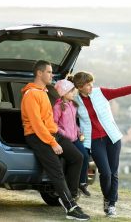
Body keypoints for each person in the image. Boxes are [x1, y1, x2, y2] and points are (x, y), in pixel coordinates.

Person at [72, 71, 131, 217]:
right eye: (87, 84)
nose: (91, 86)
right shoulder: (75, 101)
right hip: (93, 141)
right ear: (79, 87)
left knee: (113, 173)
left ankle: (111, 204)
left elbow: (122, 91)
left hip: (112, 138)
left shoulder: (101, 93)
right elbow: (71, 120)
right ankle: (107, 197)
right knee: (105, 173)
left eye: (91, 83)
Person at [21, 60, 90, 221]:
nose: (52, 75)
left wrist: (57, 138)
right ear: (39, 73)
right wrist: (52, 142)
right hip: (37, 136)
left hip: (51, 134)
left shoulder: (44, 92)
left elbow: (49, 120)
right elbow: (37, 124)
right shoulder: (31, 94)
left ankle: (71, 196)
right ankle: (70, 207)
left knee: (77, 157)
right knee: (56, 170)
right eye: (49, 72)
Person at [53, 78, 91, 197]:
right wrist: (64, 133)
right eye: (71, 91)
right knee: (75, 158)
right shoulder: (58, 107)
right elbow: (53, 124)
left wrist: (78, 132)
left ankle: (81, 183)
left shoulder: (73, 105)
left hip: (75, 138)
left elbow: (74, 123)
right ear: (63, 93)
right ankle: (71, 189)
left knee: (84, 156)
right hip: (65, 139)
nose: (73, 93)